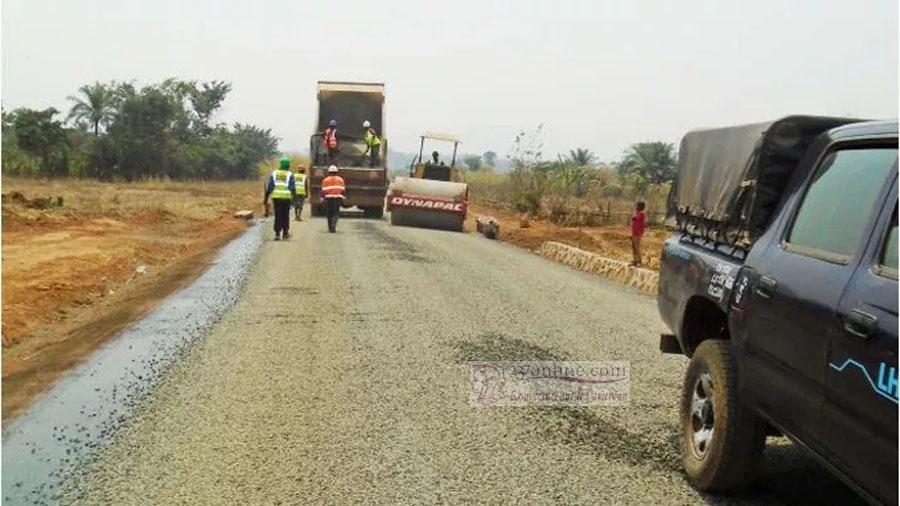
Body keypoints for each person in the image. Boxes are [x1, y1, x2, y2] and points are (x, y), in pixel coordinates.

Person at [264, 157, 297, 240]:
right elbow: (292, 188)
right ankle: (285, 233)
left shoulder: (274, 173)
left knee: (278, 215)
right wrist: (294, 199)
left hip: (276, 198)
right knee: (285, 215)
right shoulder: (290, 175)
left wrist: (266, 198)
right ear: (288, 165)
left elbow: (269, 187)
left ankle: (277, 234)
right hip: (286, 198)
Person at [320, 165, 346, 233]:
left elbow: (323, 190)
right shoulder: (340, 179)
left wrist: (322, 198)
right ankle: (334, 224)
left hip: (328, 198)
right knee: (336, 212)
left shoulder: (325, 180)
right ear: (336, 172)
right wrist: (343, 197)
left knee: (329, 213)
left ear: (329, 172)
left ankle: (330, 227)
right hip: (337, 198)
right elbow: (343, 190)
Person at [630, 201, 646, 267]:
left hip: (638, 233)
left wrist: (640, 232)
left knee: (637, 247)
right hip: (634, 232)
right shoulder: (636, 213)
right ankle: (635, 260)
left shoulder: (642, 214)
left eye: (638, 205)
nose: (637, 207)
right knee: (634, 246)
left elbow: (641, 224)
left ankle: (639, 261)